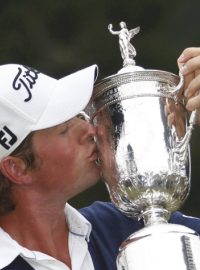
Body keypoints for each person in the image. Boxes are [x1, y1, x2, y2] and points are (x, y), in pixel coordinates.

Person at [0, 48, 200, 270]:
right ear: (16, 169)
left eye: (79, 115)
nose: (91, 129)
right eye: (65, 128)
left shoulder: (121, 223)